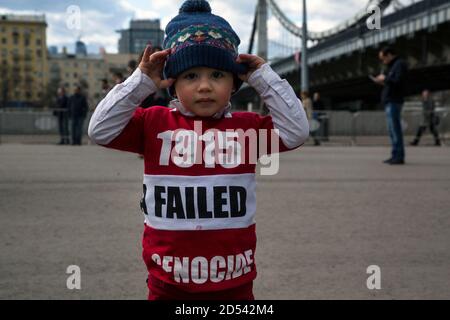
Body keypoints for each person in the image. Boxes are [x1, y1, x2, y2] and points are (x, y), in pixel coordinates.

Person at [88, 0, 309, 300]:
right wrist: (140, 82)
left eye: (217, 75)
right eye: (191, 76)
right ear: (172, 83)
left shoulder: (247, 129)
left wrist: (263, 77)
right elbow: (99, 129)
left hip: (235, 284)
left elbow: (297, 131)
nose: (204, 86)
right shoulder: (153, 122)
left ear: (234, 82)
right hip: (168, 283)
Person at [373, 46, 408, 165]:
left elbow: (398, 81)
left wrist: (385, 78)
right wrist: (383, 81)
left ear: (389, 55)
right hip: (390, 101)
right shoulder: (393, 66)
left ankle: (399, 156)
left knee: (395, 129)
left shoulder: (399, 64)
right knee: (391, 130)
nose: (383, 61)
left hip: (394, 101)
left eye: (383, 58)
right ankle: (394, 154)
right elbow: (392, 82)